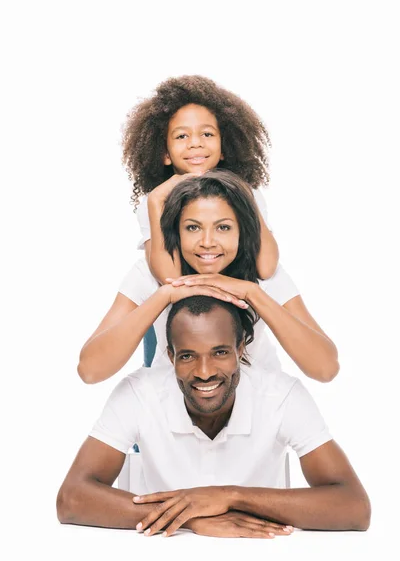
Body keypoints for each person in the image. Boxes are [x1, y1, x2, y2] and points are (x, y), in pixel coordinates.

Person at [58, 296, 370, 538]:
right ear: (171, 357)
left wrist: (228, 496)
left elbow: (354, 507)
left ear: (241, 349)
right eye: (187, 356)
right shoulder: (139, 392)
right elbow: (71, 499)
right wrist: (192, 516)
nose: (204, 372)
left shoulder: (280, 394)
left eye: (220, 352)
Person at [78, 171, 339, 384]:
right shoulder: (147, 275)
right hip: (171, 416)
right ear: (176, 233)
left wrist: (253, 293)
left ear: (241, 232)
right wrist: (166, 295)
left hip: (258, 420)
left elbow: (325, 369)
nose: (207, 242)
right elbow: (90, 371)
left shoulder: (265, 278)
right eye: (193, 228)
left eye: (223, 227)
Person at [122, 75, 279, 366]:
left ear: (223, 147)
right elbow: (169, 277)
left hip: (235, 317)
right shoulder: (154, 202)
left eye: (207, 135)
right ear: (165, 154)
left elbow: (267, 266)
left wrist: (245, 194)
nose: (195, 144)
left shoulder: (247, 194)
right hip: (176, 318)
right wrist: (156, 203)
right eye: (182, 136)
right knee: (161, 366)